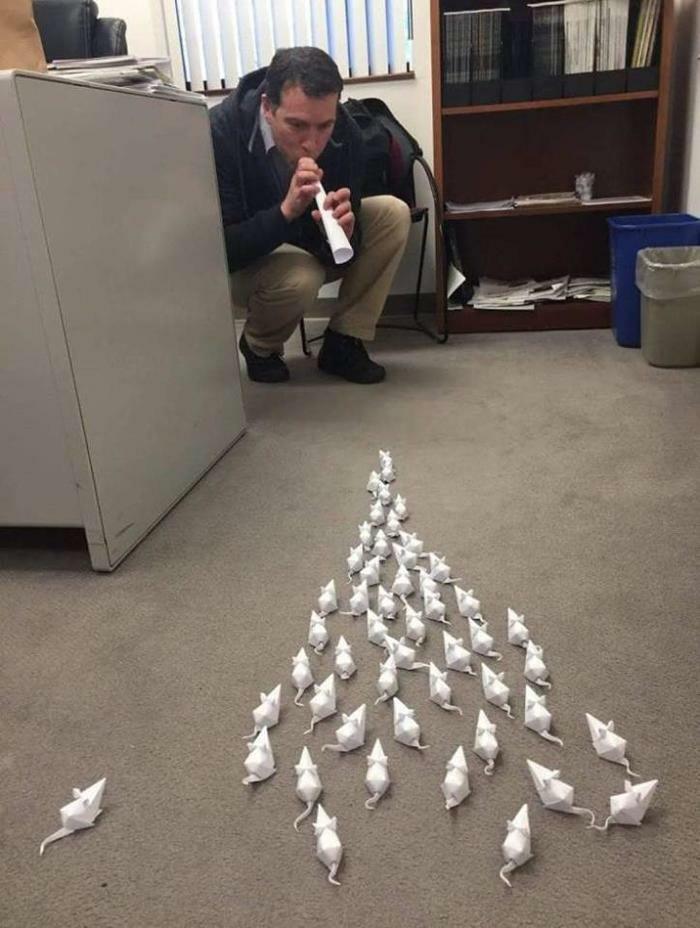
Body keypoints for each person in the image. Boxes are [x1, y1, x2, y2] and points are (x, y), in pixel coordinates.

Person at [209, 46, 411, 384]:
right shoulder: (220, 133)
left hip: (303, 245)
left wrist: (346, 234)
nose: (311, 143)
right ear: (267, 108)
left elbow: (341, 252)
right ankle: (260, 346)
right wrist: (286, 211)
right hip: (241, 261)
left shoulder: (347, 134)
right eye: (297, 125)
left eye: (323, 126)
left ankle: (344, 341)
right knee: (302, 274)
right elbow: (224, 251)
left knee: (392, 213)